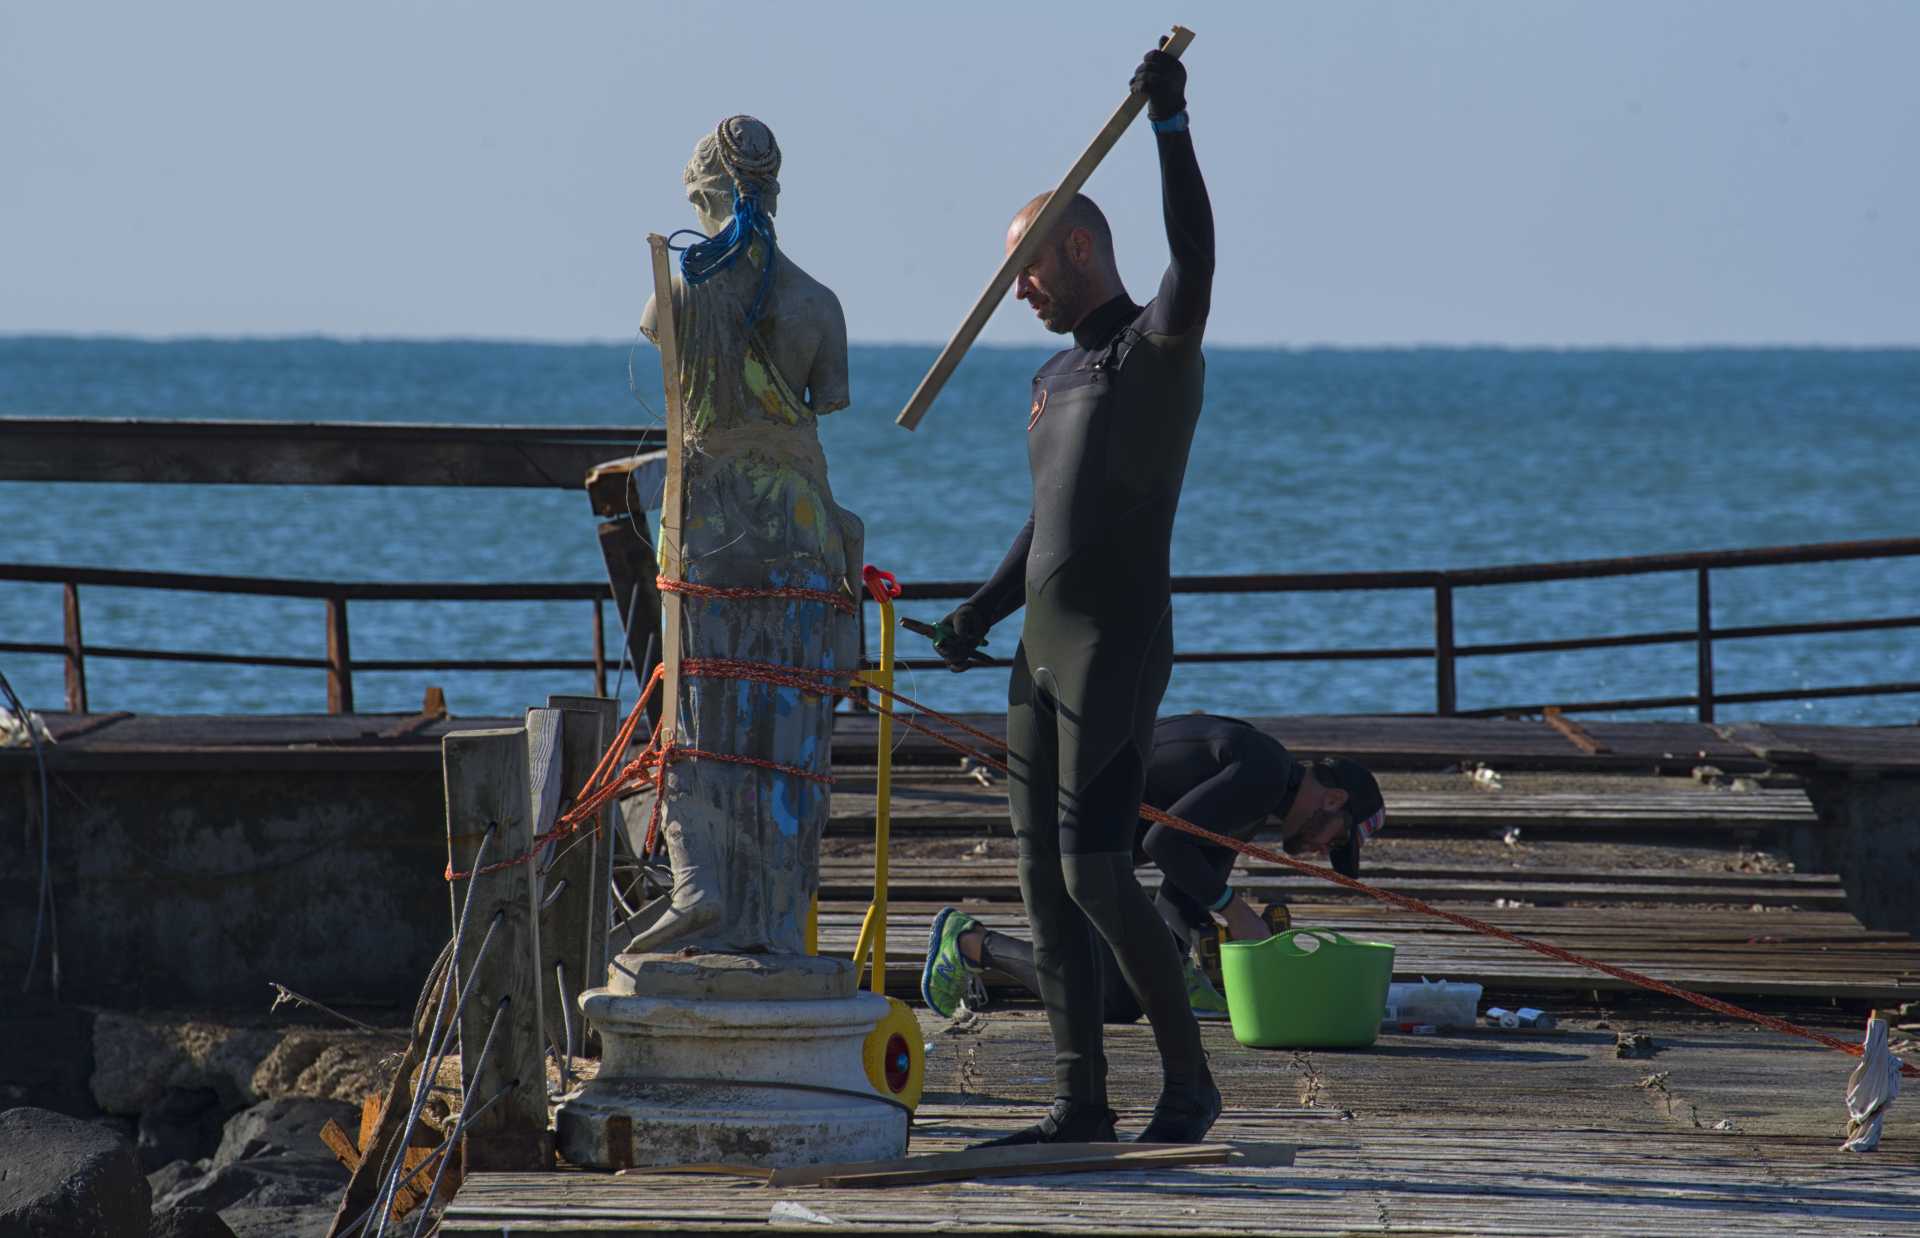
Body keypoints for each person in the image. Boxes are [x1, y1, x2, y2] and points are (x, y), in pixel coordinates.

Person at [926, 45, 1217, 1147]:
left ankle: (1189, 1084)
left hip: (1115, 642)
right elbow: (1048, 522)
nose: (1018, 293)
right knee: (1043, 881)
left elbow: (1196, 248)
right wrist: (978, 611)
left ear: (1080, 246)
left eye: (1026, 273)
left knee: (1100, 867)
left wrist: (1170, 126)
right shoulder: (1052, 380)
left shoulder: (1157, 349)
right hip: (1037, 652)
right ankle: (1080, 1096)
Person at [921, 715, 1387, 1025]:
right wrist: (1237, 914)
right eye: (1338, 841)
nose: (1324, 851)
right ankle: (966, 941)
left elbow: (1180, 896)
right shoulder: (1262, 773)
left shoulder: (1260, 797)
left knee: (1121, 1003)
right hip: (1065, 833)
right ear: (1333, 800)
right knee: (1105, 998)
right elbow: (1162, 842)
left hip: (1100, 853)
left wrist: (1226, 955)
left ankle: (973, 943)